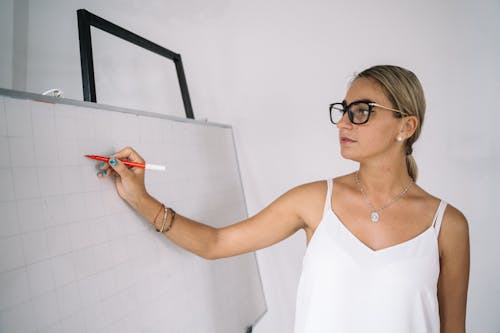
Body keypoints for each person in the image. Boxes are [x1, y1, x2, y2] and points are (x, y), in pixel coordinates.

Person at [96, 65, 469, 332]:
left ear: (406, 126)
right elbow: (215, 243)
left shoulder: (447, 225)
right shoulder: (312, 201)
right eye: (343, 111)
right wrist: (140, 198)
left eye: (361, 112)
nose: (342, 123)